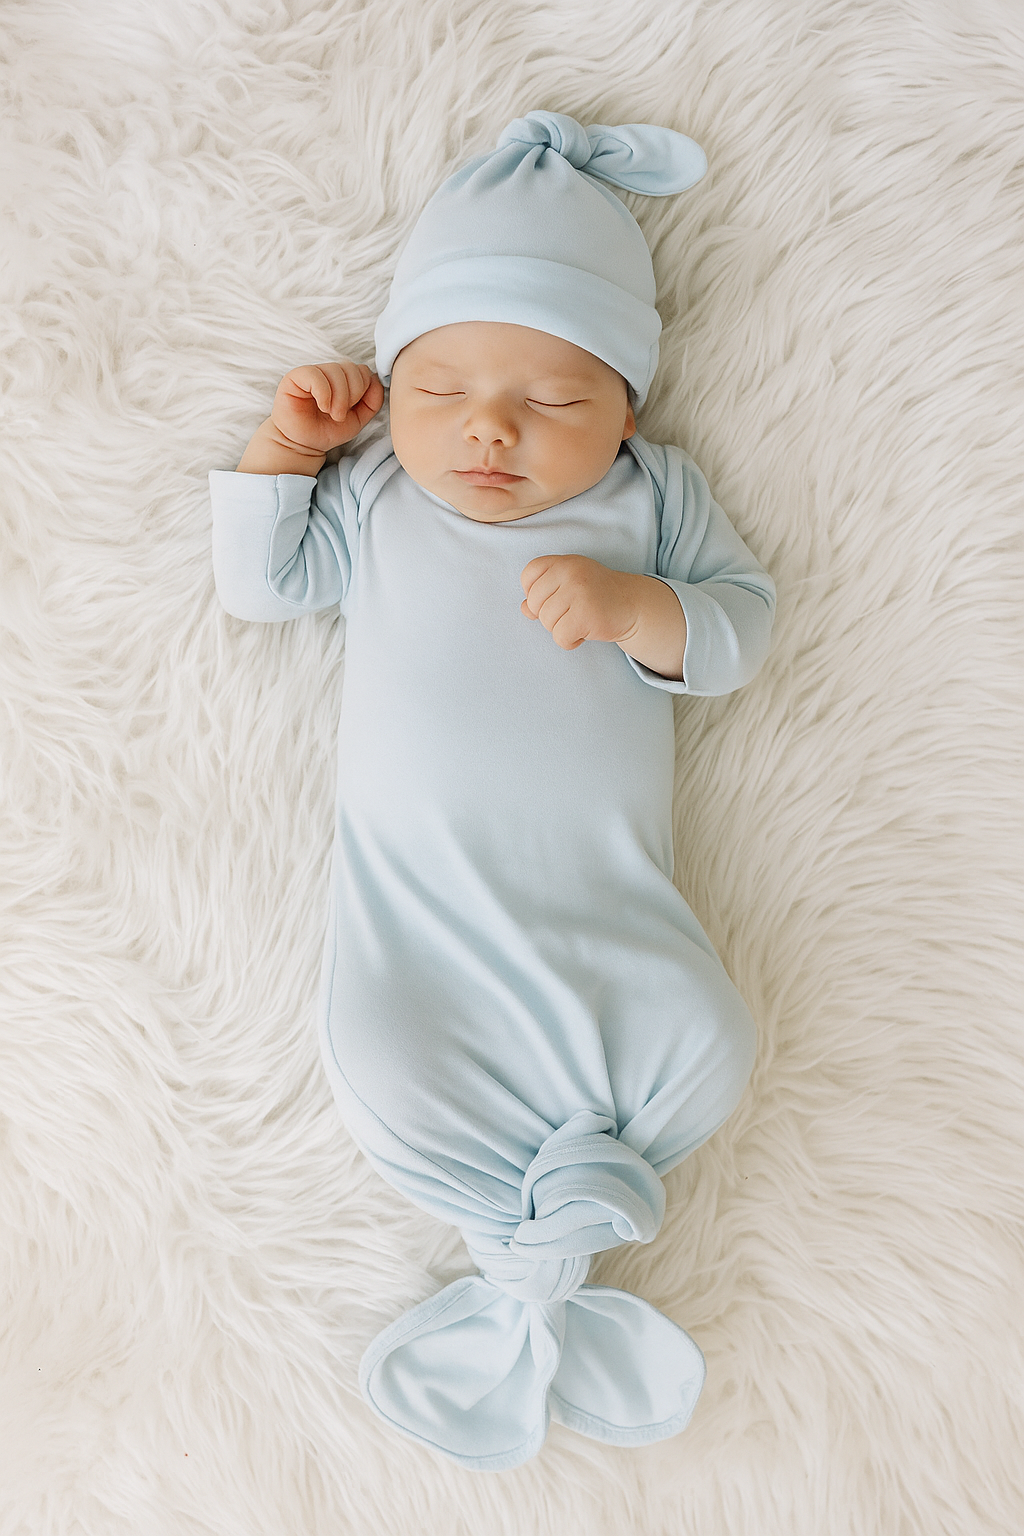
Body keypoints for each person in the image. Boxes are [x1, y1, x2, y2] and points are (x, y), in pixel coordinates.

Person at [208, 110, 776, 1471]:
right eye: (439, 389)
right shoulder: (380, 501)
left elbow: (742, 633)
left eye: (554, 402)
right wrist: (288, 450)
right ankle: (522, 1258)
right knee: (391, 1057)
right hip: (419, 921)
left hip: (606, 904)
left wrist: (637, 607)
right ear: (391, 391)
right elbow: (261, 587)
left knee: (708, 1038)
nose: (488, 430)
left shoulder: (649, 500)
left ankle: (560, 1243)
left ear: (626, 412)